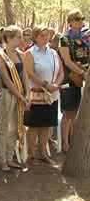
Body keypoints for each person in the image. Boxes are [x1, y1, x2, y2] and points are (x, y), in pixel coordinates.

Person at [24, 26, 64, 165]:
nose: (46, 37)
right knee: (34, 125)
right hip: (37, 94)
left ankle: (43, 152)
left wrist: (55, 85)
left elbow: (61, 72)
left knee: (47, 125)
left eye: (47, 35)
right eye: (42, 35)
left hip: (52, 94)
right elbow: (30, 73)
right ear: (35, 37)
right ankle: (32, 154)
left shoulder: (53, 52)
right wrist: (46, 85)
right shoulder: (30, 53)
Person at [0, 26, 30, 171]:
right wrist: (21, 96)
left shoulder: (21, 54)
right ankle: (1, 159)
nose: (21, 39)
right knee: (3, 127)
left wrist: (27, 93)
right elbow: (7, 80)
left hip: (21, 94)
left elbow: (25, 76)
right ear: (8, 39)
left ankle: (10, 158)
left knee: (15, 128)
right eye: (18, 37)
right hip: (7, 95)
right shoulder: (1, 55)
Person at [59, 9, 89, 153]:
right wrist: (82, 72)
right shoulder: (64, 39)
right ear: (70, 22)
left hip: (84, 78)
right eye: (77, 19)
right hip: (69, 78)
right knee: (68, 113)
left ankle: (73, 141)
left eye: (81, 18)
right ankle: (65, 144)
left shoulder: (85, 38)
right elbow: (67, 60)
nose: (80, 21)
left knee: (77, 112)